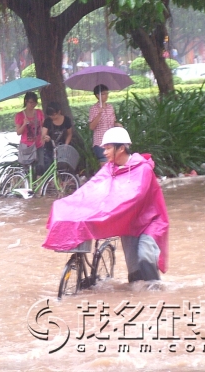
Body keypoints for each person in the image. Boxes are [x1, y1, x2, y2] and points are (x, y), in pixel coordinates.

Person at [43, 127, 169, 283]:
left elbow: (133, 197)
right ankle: (139, 294)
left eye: (108, 148)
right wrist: (70, 205)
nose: (105, 152)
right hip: (129, 223)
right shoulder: (109, 168)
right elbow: (91, 189)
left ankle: (155, 291)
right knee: (134, 274)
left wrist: (103, 213)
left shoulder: (143, 169)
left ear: (121, 148)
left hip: (150, 222)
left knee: (145, 258)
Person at [14, 91, 45, 173]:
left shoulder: (39, 113)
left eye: (34, 103)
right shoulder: (20, 115)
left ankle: (39, 180)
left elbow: (43, 126)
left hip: (38, 144)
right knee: (28, 170)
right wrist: (24, 124)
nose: (32, 105)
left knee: (40, 166)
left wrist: (43, 137)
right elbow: (18, 132)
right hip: (27, 146)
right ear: (26, 101)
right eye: (31, 102)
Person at [88, 84, 117, 165]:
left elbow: (113, 122)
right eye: (103, 94)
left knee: (114, 164)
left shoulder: (110, 107)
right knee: (105, 165)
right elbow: (91, 127)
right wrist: (99, 114)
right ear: (97, 95)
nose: (106, 96)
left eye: (107, 93)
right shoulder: (94, 109)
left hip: (111, 140)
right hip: (100, 142)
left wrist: (117, 125)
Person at [42, 101, 73, 169]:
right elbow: (43, 134)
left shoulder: (66, 120)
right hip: (50, 148)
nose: (52, 117)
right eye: (50, 115)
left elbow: (69, 134)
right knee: (49, 166)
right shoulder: (47, 121)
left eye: (54, 115)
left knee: (62, 167)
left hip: (62, 147)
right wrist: (46, 137)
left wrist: (66, 145)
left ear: (59, 112)